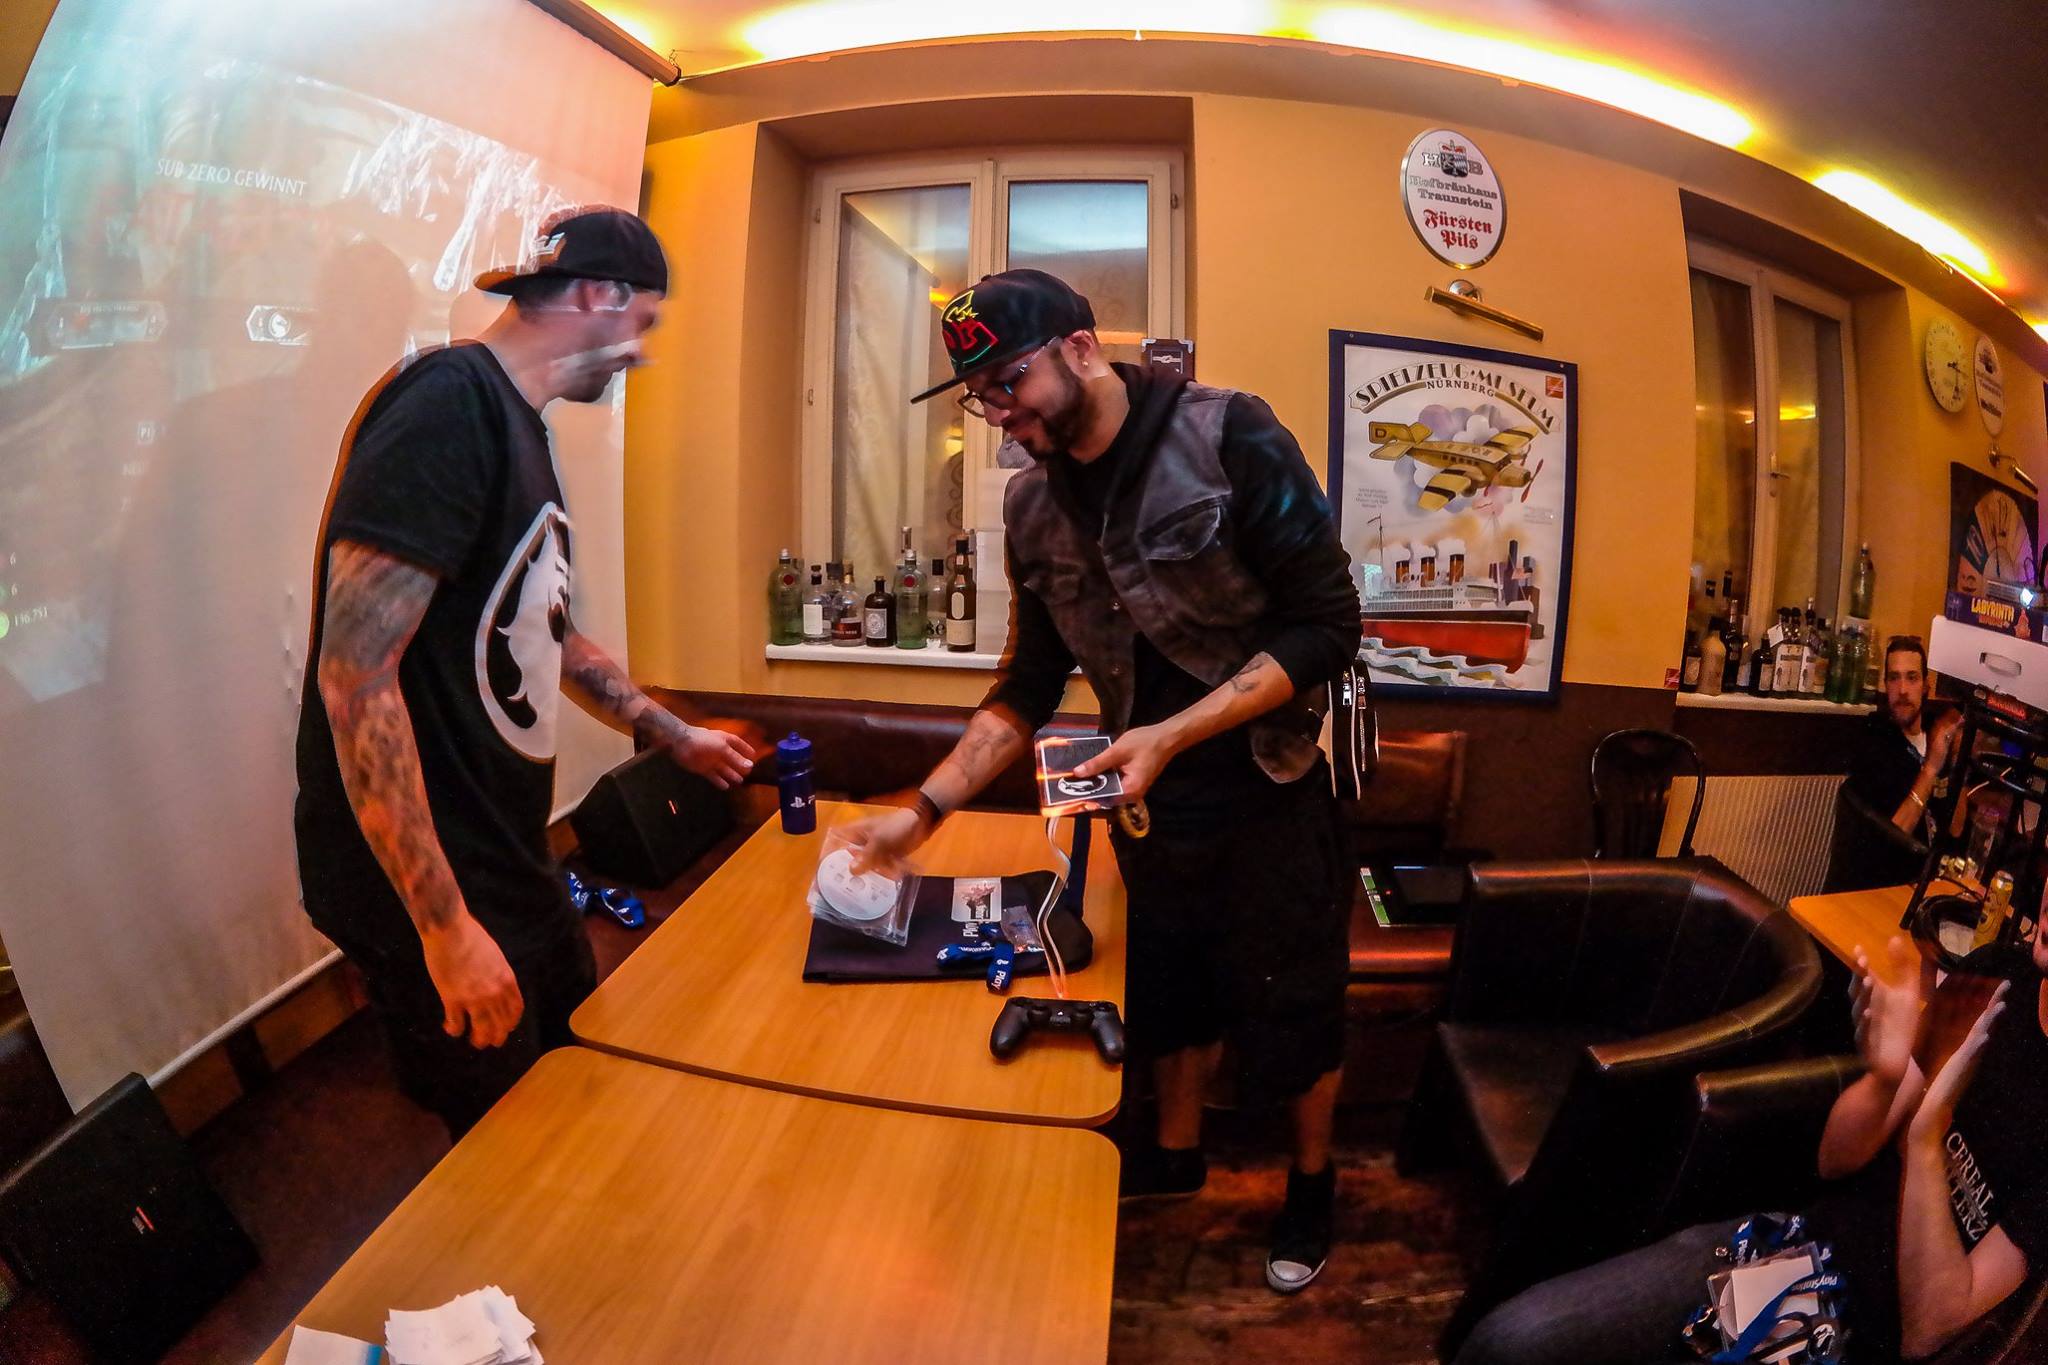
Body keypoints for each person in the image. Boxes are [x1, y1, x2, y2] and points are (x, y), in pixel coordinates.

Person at [845, 269, 1361, 1293]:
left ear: (1080, 349)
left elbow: (1328, 626)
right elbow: (1027, 683)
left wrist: (1172, 732)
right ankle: (1174, 1157)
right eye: (979, 397)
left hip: (1273, 779)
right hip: (1148, 799)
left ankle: (1313, 1183)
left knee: (1294, 1005)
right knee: (1168, 988)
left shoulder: (1228, 434)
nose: (999, 414)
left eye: (1009, 382)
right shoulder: (1030, 502)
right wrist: (921, 811)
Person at [294, 206, 755, 1138]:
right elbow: (356, 676)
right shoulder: (448, 403)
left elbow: (548, 629)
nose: (642, 352)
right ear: (598, 294)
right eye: (644, 322)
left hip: (505, 853)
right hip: (432, 881)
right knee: (507, 1136)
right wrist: (445, 929)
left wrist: (676, 735)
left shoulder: (518, 429)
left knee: (580, 1067)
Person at [1453, 921, 2045, 1364]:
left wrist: (1925, 1142)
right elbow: (1834, 1161)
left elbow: (1931, 1328)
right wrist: (1885, 1079)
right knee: (1511, 1342)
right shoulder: (2001, 978)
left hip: (1859, 1339)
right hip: (1795, 1252)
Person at [1845, 635, 1963, 837]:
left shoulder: (1937, 730)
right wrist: (1930, 769)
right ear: (1885, 685)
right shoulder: (1873, 738)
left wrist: (1959, 765)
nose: (1902, 690)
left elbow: (1955, 830)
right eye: (1894, 678)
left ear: (1925, 686)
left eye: (1912, 678)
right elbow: (1891, 838)